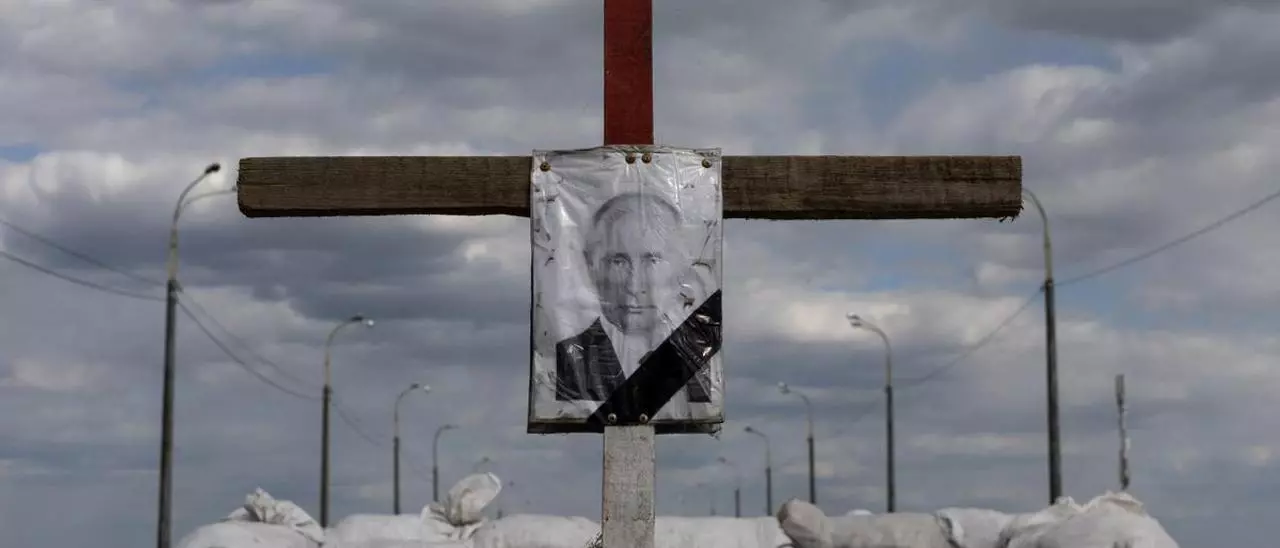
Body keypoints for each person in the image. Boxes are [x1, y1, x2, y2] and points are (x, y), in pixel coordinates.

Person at [553, 192, 712, 410]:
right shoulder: (568, 361)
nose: (634, 285)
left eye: (652, 260)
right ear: (591, 266)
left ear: (682, 267)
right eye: (618, 262)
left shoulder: (699, 359)